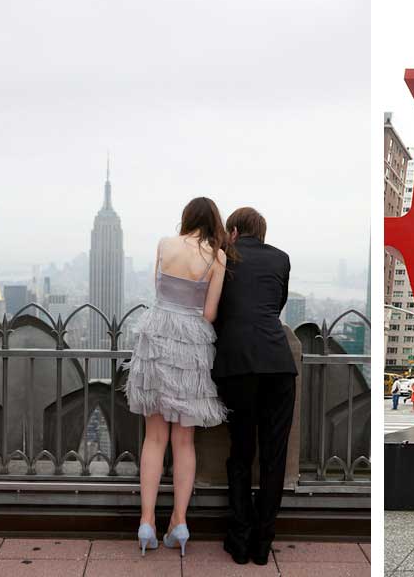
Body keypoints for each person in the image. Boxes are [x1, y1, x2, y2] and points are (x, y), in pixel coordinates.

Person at [124, 197, 230, 557]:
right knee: (184, 443)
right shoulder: (217, 256)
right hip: (191, 343)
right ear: (213, 221)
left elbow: (158, 290)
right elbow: (211, 312)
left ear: (186, 218)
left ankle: (147, 521)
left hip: (157, 335)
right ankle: (180, 522)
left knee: (154, 439)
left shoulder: (165, 245)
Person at [212, 207, 298, 566]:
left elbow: (216, 308)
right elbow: (276, 305)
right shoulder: (281, 258)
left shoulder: (224, 257)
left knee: (241, 452)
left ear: (232, 231)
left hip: (238, 366)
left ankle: (240, 537)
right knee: (274, 456)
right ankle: (264, 543)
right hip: (279, 364)